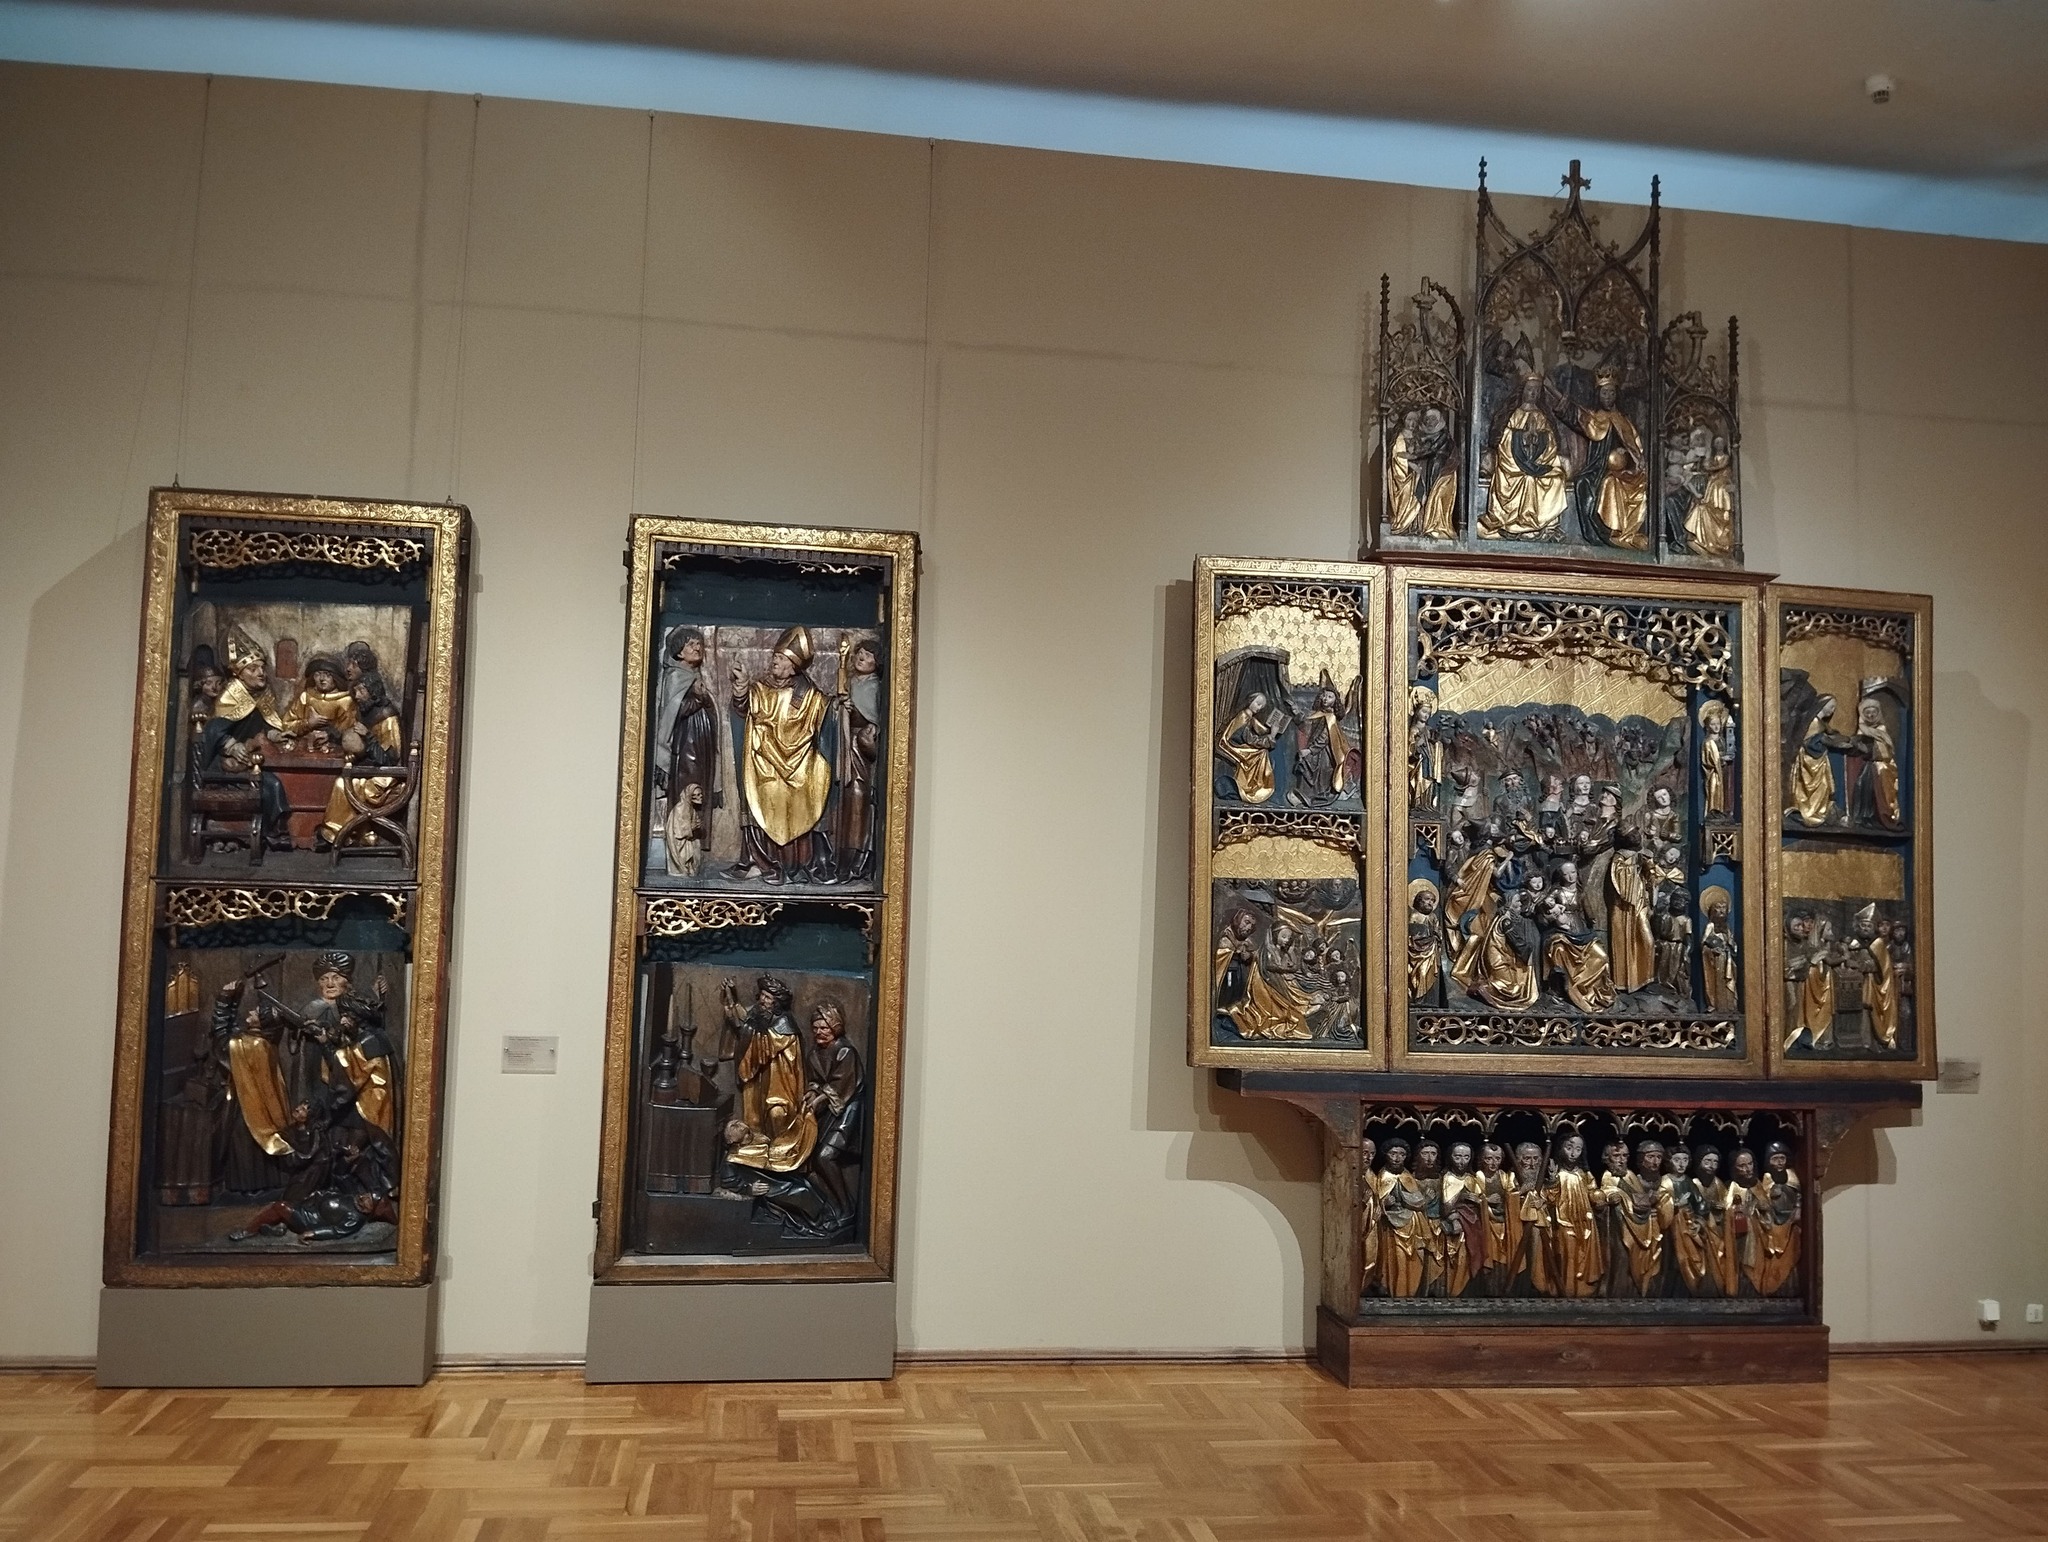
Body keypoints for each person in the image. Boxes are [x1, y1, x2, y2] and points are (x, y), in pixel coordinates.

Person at [730, 627, 834, 883]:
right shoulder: (760, 688)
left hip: (798, 768)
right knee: (762, 799)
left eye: (780, 658)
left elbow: (825, 720)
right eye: (775, 656)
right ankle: (761, 862)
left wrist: (840, 707)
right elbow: (742, 709)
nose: (774, 661)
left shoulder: (810, 697)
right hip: (763, 765)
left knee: (799, 803)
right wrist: (741, 687)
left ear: (793, 666)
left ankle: (795, 862)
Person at [198, 626, 294, 850]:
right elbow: (213, 731)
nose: (261, 673)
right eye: (253, 668)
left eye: (262, 667)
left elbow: (263, 724)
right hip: (222, 766)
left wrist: (276, 734)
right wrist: (231, 745)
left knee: (275, 784)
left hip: (249, 762)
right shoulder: (229, 696)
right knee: (270, 786)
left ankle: (273, 833)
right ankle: (267, 834)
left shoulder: (260, 694)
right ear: (239, 674)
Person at [719, 976, 817, 1192]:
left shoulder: (784, 1028)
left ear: (777, 1003)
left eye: (768, 998)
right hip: (759, 1084)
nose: (763, 1000)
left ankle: (780, 1164)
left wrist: (742, 1024)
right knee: (754, 1120)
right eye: (762, 996)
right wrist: (732, 1000)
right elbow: (745, 1024)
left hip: (781, 1086)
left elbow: (760, 1045)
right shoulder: (759, 1016)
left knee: (777, 1116)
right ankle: (761, 1162)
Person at [654, 626, 720, 877]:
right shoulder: (675, 677)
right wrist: (699, 699)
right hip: (685, 747)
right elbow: (673, 713)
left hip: (701, 745)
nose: (697, 648)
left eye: (699, 644)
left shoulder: (695, 676)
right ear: (679, 652)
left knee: (699, 797)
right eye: (691, 644)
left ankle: (694, 857)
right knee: (687, 796)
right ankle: (680, 858)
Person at [1481, 366, 1572, 539]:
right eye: (1530, 389)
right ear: (1522, 391)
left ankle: (1547, 525)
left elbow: (1551, 442)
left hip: (1538, 462)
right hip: (1513, 465)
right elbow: (1503, 438)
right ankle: (1519, 524)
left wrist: (1539, 441)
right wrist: (1522, 437)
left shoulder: (1542, 416)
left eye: (1537, 390)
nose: (1533, 394)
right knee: (1527, 479)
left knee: (1556, 478)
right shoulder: (1513, 414)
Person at [1564, 366, 1649, 550]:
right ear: (1598, 395)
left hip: (1625, 470)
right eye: (1604, 393)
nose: (1608, 397)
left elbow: (1635, 446)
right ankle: (1608, 532)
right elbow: (1576, 418)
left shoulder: (1623, 420)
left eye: (1611, 393)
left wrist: (1632, 458)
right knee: (1592, 483)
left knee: (1637, 484)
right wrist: (1561, 401)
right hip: (1600, 468)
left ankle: (1626, 533)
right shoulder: (1595, 417)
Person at [802, 1001, 864, 1223]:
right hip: (829, 1112)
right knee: (813, 1159)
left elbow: (842, 1084)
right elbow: (815, 1081)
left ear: (835, 1027)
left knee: (825, 1156)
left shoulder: (845, 1051)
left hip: (847, 1110)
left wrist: (821, 1097)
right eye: (815, 1028)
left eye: (824, 1028)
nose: (819, 1032)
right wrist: (811, 1092)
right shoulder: (813, 1053)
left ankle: (847, 1209)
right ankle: (833, 1206)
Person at [831, 637, 884, 882]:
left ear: (877, 662)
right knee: (844, 800)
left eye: (868, 655)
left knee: (858, 797)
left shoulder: (875, 687)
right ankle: (841, 858)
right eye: (860, 653)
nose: (862, 657)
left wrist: (860, 717)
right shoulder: (850, 682)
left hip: (861, 749)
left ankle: (859, 859)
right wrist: (841, 708)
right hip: (845, 744)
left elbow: (876, 722)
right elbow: (837, 710)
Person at [1545, 1133, 1604, 1299]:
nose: (1573, 1153)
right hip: (1563, 1220)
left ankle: (1582, 1289)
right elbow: (1550, 1198)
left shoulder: (1584, 1174)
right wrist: (1552, 1180)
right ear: (1561, 1148)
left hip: (1585, 1221)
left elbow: (1592, 1191)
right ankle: (1566, 1289)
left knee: (1583, 1253)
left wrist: (1599, 1197)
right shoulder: (1557, 1173)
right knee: (1567, 1253)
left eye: (1578, 1149)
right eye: (1569, 1148)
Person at [280, 653, 356, 755]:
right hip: (304, 750)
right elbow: (287, 724)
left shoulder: (345, 702)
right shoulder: (306, 697)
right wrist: (308, 724)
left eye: (327, 675)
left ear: (335, 677)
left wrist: (329, 734)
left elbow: (348, 731)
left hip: (333, 751)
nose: (322, 679)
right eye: (317, 674)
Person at [1216, 692, 1282, 805]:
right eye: (1258, 703)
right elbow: (1249, 738)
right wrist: (1271, 737)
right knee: (1260, 753)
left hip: (1240, 743)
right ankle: (1252, 786)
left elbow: (1259, 728)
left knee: (1261, 752)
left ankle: (1255, 784)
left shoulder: (1249, 715)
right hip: (1232, 745)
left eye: (1261, 706)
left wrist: (1270, 728)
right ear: (1250, 701)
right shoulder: (1244, 715)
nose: (1259, 708)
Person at [1849, 696, 1903, 829]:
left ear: (1878, 713)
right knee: (1861, 786)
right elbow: (1857, 747)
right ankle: (1862, 816)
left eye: (1873, 712)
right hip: (1868, 765)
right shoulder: (1862, 729)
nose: (1871, 715)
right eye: (1867, 712)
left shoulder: (1881, 729)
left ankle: (1881, 816)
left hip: (1882, 766)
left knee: (1879, 790)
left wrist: (1867, 749)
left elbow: (1884, 752)